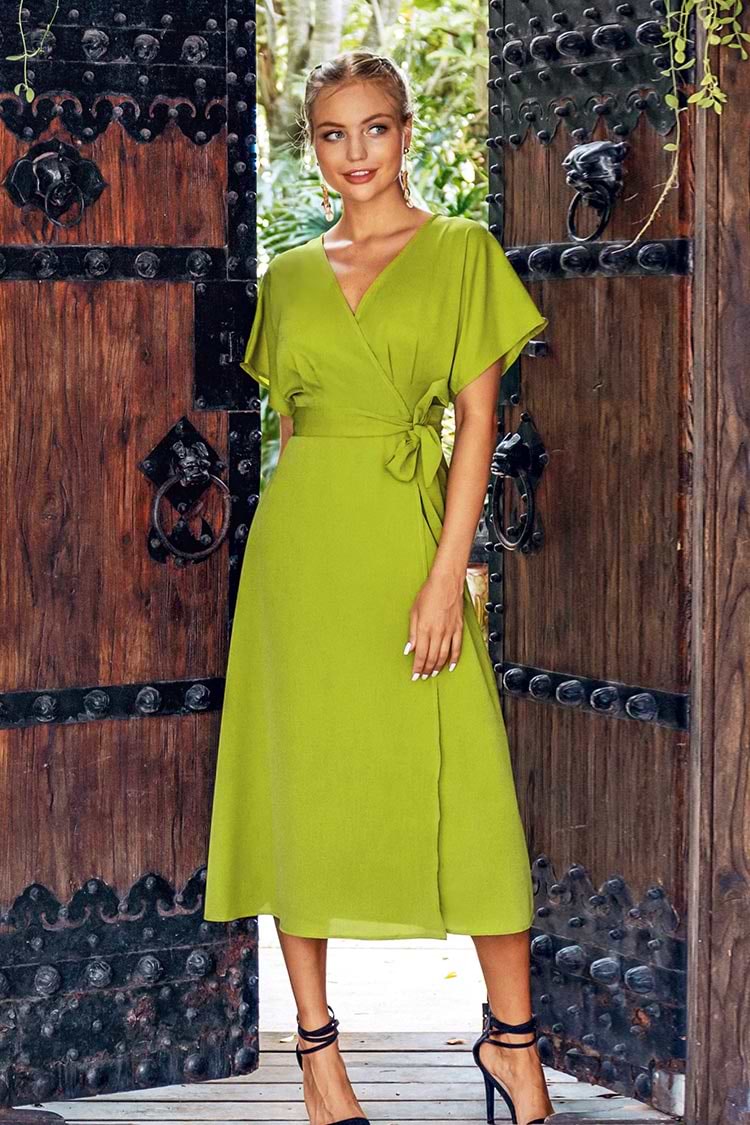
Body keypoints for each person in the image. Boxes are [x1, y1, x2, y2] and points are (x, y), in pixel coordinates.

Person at [204, 49, 553, 1125]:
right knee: (300, 790)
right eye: (332, 133)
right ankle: (319, 1060)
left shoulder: (460, 251)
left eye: (375, 128)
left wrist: (450, 573)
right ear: (313, 146)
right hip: (301, 561)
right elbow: (293, 432)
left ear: (406, 133)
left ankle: (516, 1049)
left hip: (412, 544)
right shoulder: (288, 278)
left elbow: (478, 422)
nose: (355, 153)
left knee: (474, 795)